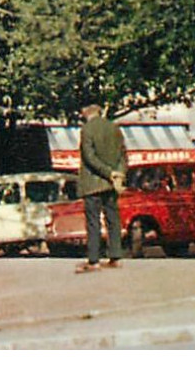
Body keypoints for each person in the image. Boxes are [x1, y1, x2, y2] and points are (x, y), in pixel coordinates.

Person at [74, 99, 126, 272]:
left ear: (86, 112)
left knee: (93, 222)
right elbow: (123, 155)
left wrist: (107, 172)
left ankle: (94, 260)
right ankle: (116, 256)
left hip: (93, 183)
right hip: (111, 185)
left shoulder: (86, 130)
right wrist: (118, 174)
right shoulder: (115, 128)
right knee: (113, 219)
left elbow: (89, 157)